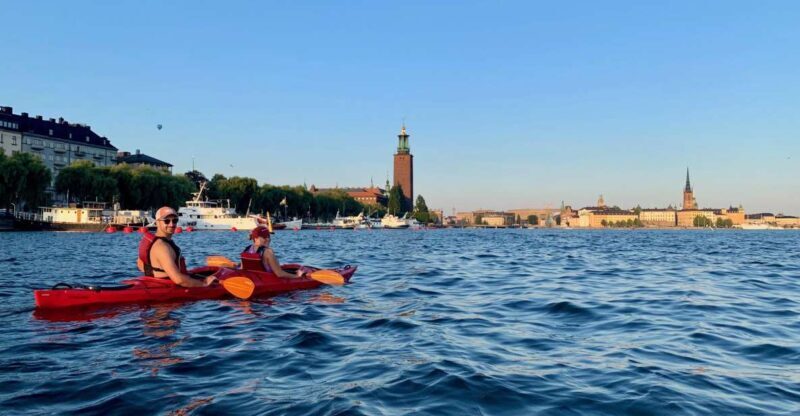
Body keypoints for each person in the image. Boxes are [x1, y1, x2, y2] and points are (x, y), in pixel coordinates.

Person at [138, 207, 217, 287]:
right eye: (167, 221)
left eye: (175, 220)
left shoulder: (152, 241)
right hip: (166, 287)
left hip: (154, 283)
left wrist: (161, 270)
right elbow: (179, 280)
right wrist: (204, 284)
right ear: (157, 222)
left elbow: (140, 264)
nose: (171, 224)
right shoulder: (162, 247)